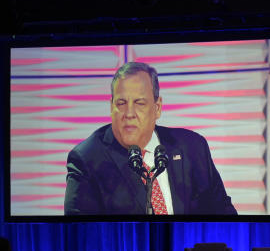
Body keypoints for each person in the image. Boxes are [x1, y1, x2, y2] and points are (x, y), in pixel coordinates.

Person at [64, 62, 237, 216]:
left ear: (157, 108)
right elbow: (80, 233)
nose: (129, 114)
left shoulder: (192, 148)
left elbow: (224, 215)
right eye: (121, 103)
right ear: (111, 107)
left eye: (139, 103)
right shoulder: (87, 160)